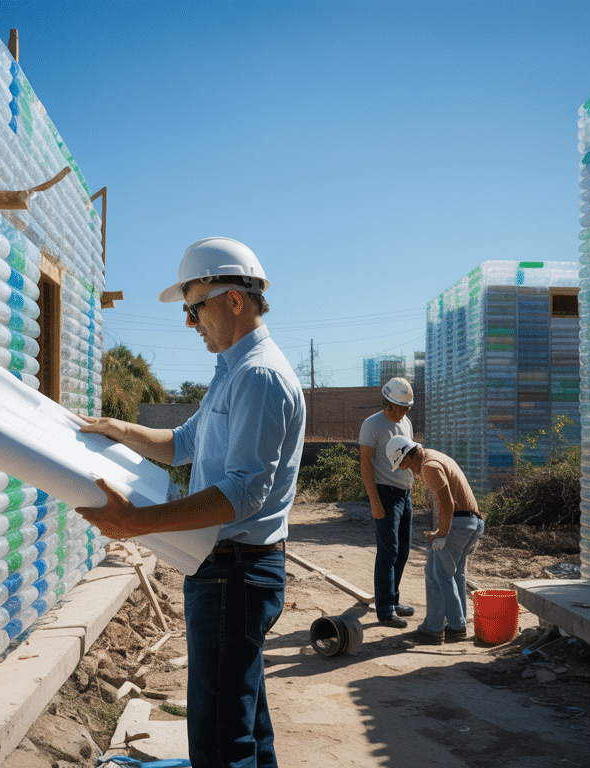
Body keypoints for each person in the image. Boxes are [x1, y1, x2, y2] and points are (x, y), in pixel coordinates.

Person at [75, 236, 306, 768]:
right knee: (244, 722)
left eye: (194, 306)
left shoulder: (259, 376)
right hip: (224, 571)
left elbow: (245, 492)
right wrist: (118, 429)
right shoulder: (233, 371)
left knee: (221, 737)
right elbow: (182, 445)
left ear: (233, 300)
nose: (188, 321)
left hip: (236, 574)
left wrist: (134, 523)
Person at [384, 434, 484, 644]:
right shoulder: (437, 457)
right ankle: (452, 624)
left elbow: (446, 503)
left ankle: (444, 627)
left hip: (458, 523)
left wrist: (440, 532)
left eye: (404, 465)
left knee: (437, 574)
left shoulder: (429, 466)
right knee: (455, 575)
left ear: (409, 455)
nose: (407, 470)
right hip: (472, 522)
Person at [358, 376, 416, 628]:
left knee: (402, 551)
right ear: (387, 403)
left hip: (405, 493)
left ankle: (393, 600)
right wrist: (375, 501)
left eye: (405, 409)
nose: (401, 413)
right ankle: (384, 609)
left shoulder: (407, 423)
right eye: (397, 408)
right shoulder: (371, 425)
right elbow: (365, 464)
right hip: (384, 493)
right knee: (388, 551)